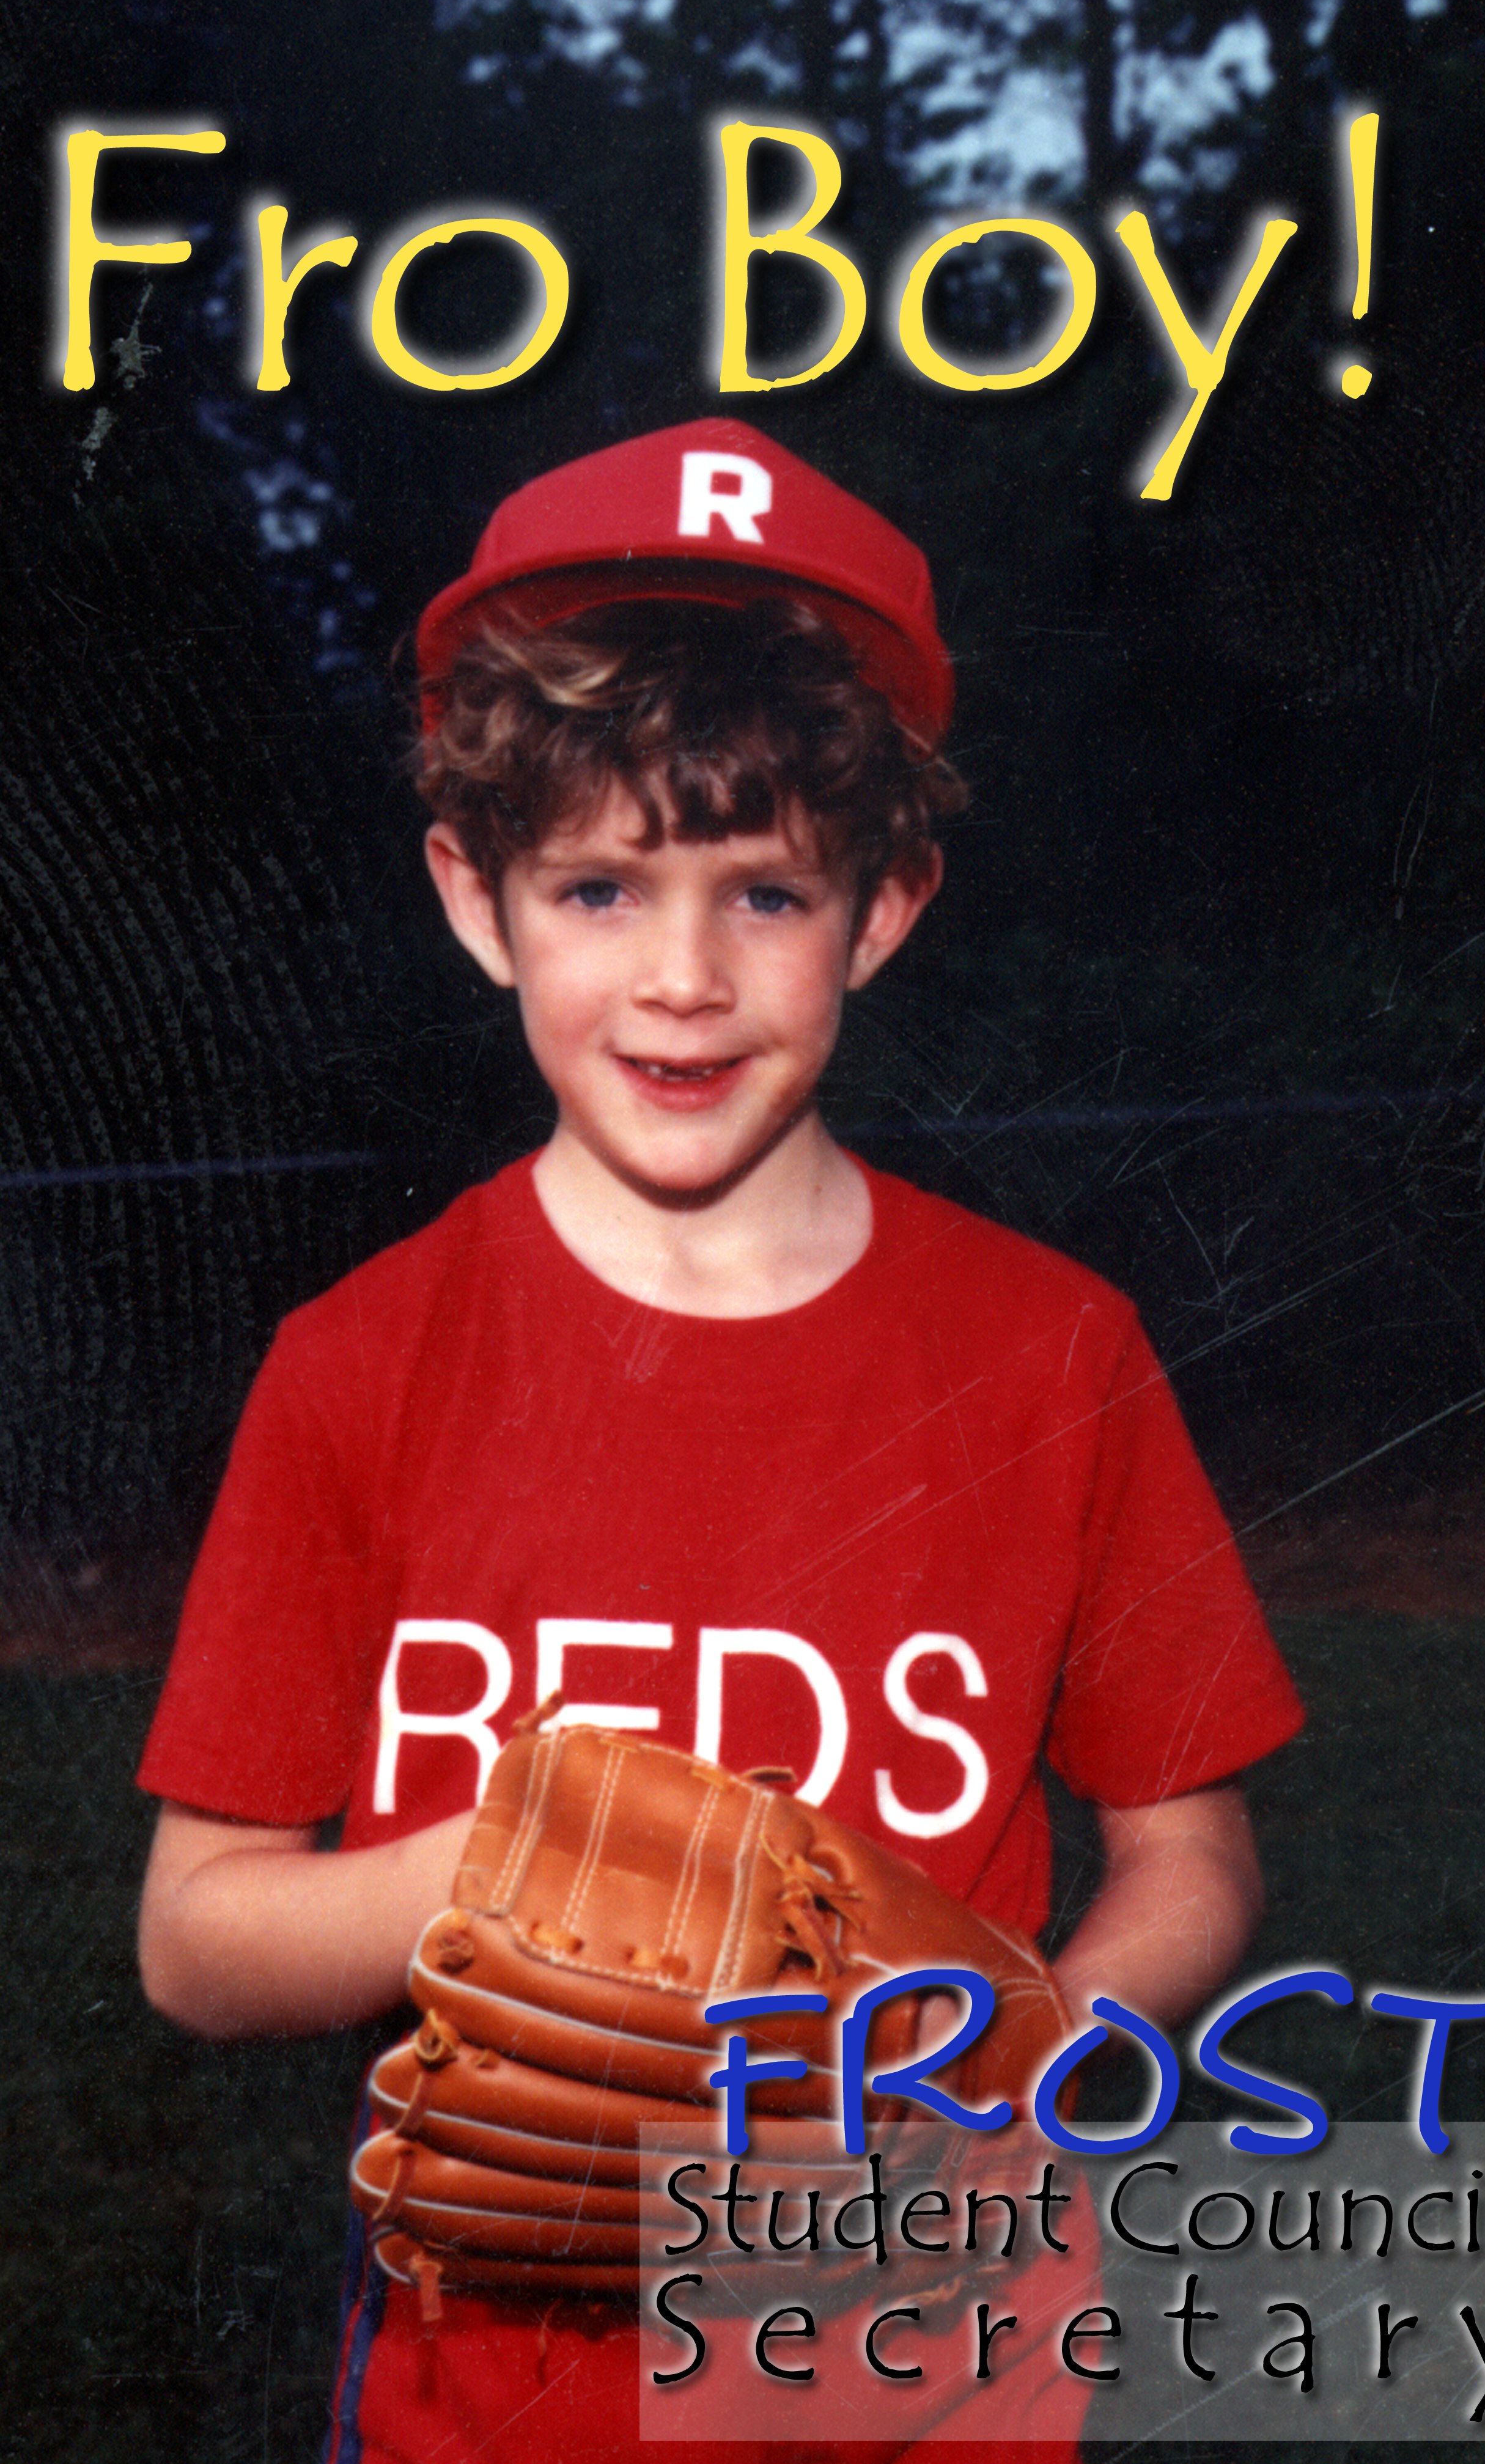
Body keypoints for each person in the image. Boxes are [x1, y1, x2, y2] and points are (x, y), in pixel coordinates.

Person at [134, 417, 1304, 2464]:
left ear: (884, 907)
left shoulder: (1052, 1350)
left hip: (933, 2361)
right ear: (476, 899)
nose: (680, 979)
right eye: (596, 883)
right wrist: (516, 1872)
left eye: (764, 888)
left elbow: (1191, 1853)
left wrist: (1012, 2050)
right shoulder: (361, 1360)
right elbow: (196, 1937)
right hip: (493, 2384)